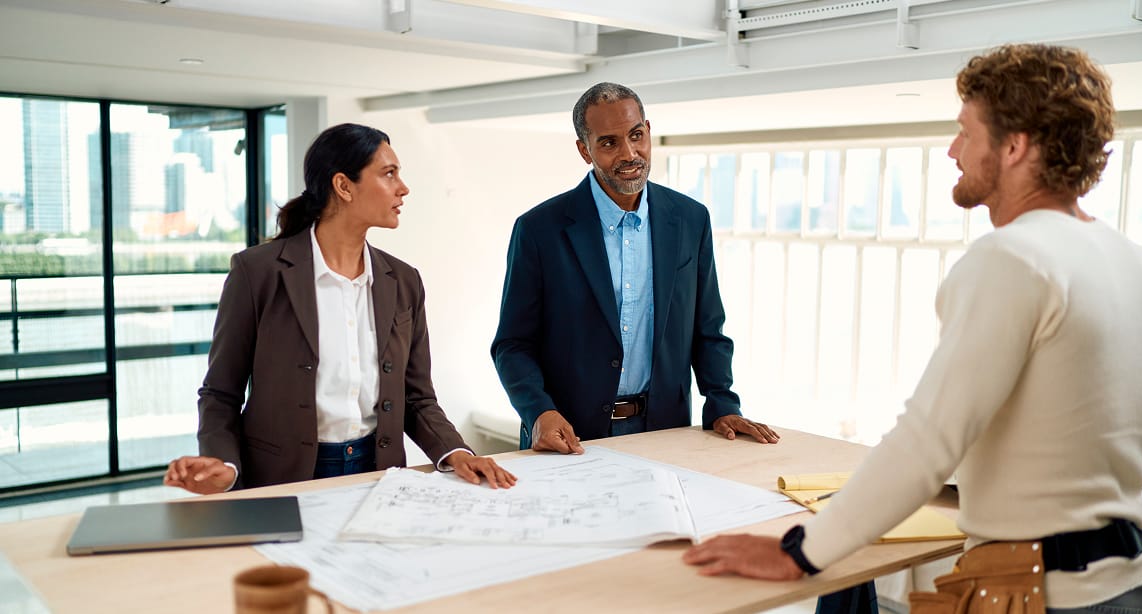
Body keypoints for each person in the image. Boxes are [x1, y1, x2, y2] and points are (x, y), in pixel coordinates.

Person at [684, 43, 1142, 613]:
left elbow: (928, 440)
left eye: (967, 131)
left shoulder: (1012, 258)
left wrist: (801, 552)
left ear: (1015, 146)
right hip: (1138, 584)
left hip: (1049, 592)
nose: (952, 149)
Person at [165, 123, 515, 494]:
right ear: (344, 186)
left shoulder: (404, 280)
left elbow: (417, 397)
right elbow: (221, 392)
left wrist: (456, 451)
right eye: (389, 173)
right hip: (282, 477)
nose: (403, 187)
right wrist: (224, 463)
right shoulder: (258, 272)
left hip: (378, 473)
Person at [491, 82, 780, 454]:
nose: (629, 153)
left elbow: (708, 329)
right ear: (585, 150)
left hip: (664, 432)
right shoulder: (539, 229)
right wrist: (538, 411)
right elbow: (513, 344)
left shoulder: (691, 219)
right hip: (568, 436)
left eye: (636, 135)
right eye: (609, 143)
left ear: (648, 130)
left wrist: (722, 403)